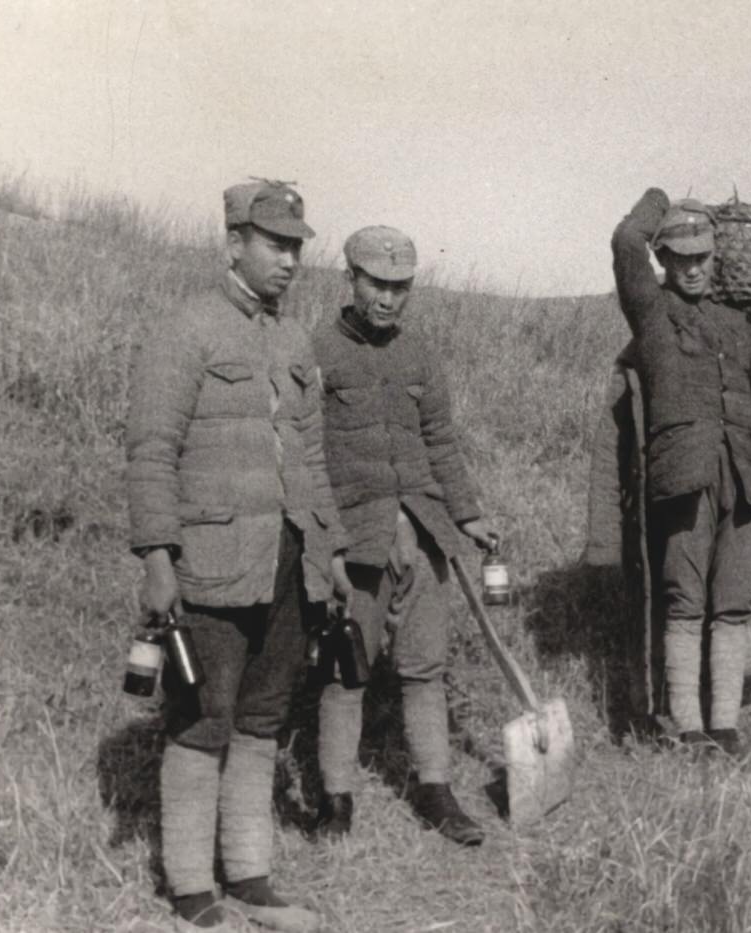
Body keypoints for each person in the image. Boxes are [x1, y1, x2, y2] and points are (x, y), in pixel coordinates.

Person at [126, 180, 350, 932]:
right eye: (274, 243)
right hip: (212, 562)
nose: (289, 259)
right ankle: (193, 888)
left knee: (260, 721)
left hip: (288, 561)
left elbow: (312, 457)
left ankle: (250, 876)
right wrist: (159, 555)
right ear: (233, 243)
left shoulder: (292, 340)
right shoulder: (185, 329)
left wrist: (332, 551)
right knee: (201, 721)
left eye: (295, 245)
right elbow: (151, 451)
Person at [609, 188, 751, 755]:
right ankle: (686, 725)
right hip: (682, 479)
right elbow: (625, 240)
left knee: (732, 603)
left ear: (717, 258)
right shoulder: (652, 314)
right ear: (664, 262)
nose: (693, 270)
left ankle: (725, 725)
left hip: (743, 480)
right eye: (681, 259)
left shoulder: (735, 324)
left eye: (703, 257)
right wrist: (664, 198)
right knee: (684, 601)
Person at [307, 226, 497, 846]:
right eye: (377, 285)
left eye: (401, 287)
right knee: (344, 672)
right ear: (350, 280)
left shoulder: (420, 356)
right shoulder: (317, 353)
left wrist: (466, 515)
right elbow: (304, 456)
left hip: (423, 532)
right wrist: (326, 544)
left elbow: (440, 440)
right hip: (355, 540)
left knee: (424, 668)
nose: (389, 299)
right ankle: (336, 801)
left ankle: (435, 790)